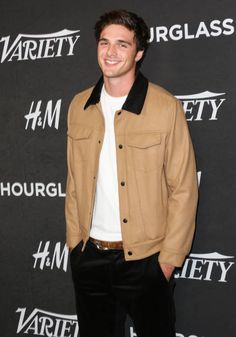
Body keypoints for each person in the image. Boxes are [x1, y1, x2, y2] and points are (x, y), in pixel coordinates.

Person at [65, 9, 198, 337]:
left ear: (139, 53)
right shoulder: (79, 106)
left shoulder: (165, 107)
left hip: (146, 260)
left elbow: (183, 187)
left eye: (122, 45)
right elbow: (74, 183)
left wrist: (166, 262)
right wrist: (74, 246)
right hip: (90, 257)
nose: (110, 52)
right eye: (104, 42)